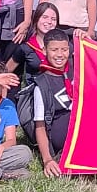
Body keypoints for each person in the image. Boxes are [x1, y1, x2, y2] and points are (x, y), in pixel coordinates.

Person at [30, 28, 74, 177]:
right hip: (60, 135)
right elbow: (40, 126)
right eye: (54, 50)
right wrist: (47, 159)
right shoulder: (42, 85)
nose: (60, 55)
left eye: (64, 49)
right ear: (44, 50)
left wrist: (85, 36)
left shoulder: (76, 70)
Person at [6, 2, 60, 82]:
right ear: (36, 19)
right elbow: (5, 72)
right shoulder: (26, 48)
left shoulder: (63, 46)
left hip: (59, 91)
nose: (49, 21)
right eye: (45, 17)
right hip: (34, 91)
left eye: (53, 19)